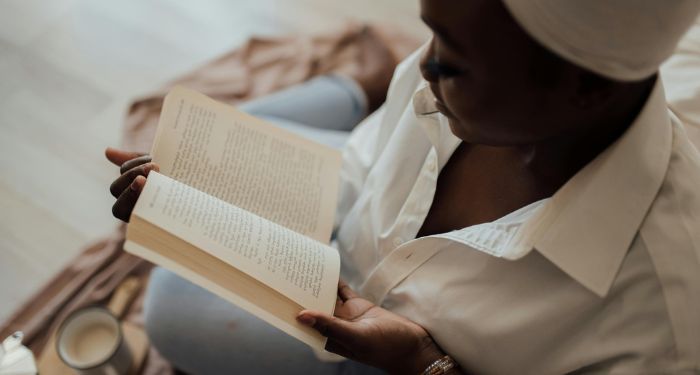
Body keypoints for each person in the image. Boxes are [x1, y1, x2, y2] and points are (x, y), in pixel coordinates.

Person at [107, 0, 700, 373]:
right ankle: (349, 90)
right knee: (199, 141)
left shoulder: (658, 328)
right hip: (343, 215)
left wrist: (423, 364)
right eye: (429, 32)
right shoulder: (451, 78)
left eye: (455, 62)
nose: (423, 67)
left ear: (586, 89)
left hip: (379, 359)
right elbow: (365, 163)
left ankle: (340, 89)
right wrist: (215, 201)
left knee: (169, 313)